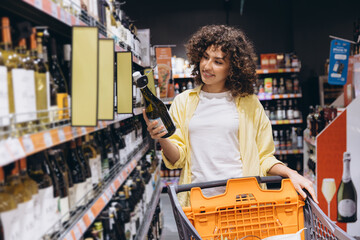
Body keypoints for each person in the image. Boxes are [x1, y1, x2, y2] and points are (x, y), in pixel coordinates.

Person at [143, 24, 318, 207]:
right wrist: (162, 137)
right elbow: (177, 159)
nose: (207, 66)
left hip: (243, 201)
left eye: (218, 62)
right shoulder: (183, 102)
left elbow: (264, 158)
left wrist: (292, 174)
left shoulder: (249, 103)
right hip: (199, 203)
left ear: (233, 68)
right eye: (205, 57)